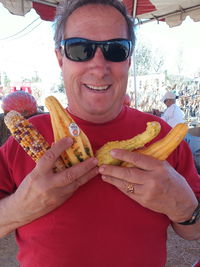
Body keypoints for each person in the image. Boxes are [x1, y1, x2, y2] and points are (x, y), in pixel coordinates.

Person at [0, 0, 199, 266]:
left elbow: (193, 233)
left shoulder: (163, 136)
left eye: (115, 49)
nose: (99, 66)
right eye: (80, 49)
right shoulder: (20, 142)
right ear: (60, 58)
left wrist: (185, 209)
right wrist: (18, 209)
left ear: (128, 59)